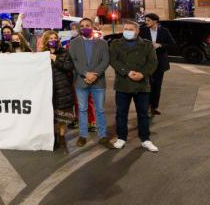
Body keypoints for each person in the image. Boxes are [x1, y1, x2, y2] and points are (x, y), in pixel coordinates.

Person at [110, 21, 159, 152]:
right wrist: (127, 72)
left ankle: (145, 139)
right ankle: (121, 138)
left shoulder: (147, 44)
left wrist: (143, 74)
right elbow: (113, 60)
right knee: (121, 113)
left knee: (143, 114)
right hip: (122, 84)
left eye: (131, 29)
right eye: (125, 29)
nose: (127, 31)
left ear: (137, 31)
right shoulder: (115, 44)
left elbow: (153, 62)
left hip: (141, 85)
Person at [66, 18, 113, 148]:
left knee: (100, 110)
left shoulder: (102, 43)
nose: (84, 27)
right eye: (82, 26)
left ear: (93, 27)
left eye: (87, 25)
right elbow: (74, 61)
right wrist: (86, 74)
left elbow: (105, 60)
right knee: (82, 109)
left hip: (98, 82)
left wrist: (94, 74)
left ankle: (103, 136)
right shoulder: (74, 43)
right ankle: (83, 135)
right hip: (81, 82)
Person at [39, 31, 74, 150]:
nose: (53, 40)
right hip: (47, 89)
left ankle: (62, 137)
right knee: (50, 115)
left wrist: (56, 59)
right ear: (45, 41)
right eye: (50, 38)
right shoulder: (41, 54)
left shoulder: (64, 52)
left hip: (62, 88)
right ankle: (53, 137)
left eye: (54, 38)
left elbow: (69, 67)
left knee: (62, 115)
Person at [139, 13, 175, 117]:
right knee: (147, 85)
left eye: (148, 20)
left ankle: (154, 107)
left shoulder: (164, 31)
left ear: (155, 21)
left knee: (157, 86)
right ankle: (146, 105)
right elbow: (139, 43)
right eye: (146, 20)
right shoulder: (143, 30)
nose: (146, 22)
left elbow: (172, 44)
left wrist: (160, 45)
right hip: (146, 63)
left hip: (160, 63)